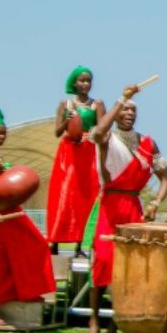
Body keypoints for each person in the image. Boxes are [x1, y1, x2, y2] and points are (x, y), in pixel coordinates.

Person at [87, 86, 167, 333]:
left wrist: (155, 202)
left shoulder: (148, 143)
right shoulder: (107, 138)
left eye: (133, 110)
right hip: (109, 206)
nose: (129, 113)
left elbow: (165, 179)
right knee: (102, 262)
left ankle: (114, 327)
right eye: (125, 110)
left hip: (133, 207)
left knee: (128, 269)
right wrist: (122, 98)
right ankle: (93, 324)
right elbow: (97, 131)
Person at [0, 106, 56, 315]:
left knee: (33, 244)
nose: (1, 136)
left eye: (3, 132)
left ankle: (26, 291)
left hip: (7, 210)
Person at [46, 66, 104, 256]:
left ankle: (80, 244)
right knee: (64, 196)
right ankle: (55, 241)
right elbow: (57, 132)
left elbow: (102, 130)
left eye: (88, 81)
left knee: (85, 198)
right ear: (74, 83)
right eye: (82, 80)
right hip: (69, 153)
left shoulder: (97, 104)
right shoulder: (66, 104)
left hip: (87, 152)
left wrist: (92, 135)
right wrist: (68, 121)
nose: (85, 84)